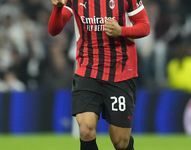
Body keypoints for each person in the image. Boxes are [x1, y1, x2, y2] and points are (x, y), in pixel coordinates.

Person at [48, 0, 150, 149]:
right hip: (87, 71)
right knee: (86, 130)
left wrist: (121, 31)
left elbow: (145, 27)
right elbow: (54, 30)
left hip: (119, 73)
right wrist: (57, 8)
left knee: (120, 142)